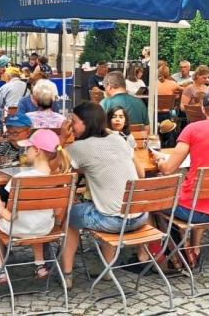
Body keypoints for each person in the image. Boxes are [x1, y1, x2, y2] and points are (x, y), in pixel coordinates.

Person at [58, 102, 146, 289]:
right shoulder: (118, 139)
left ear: (86, 123)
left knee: (69, 216)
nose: (71, 125)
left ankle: (66, 274)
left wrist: (62, 138)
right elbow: (141, 174)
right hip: (140, 216)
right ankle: (107, 270)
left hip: (114, 222)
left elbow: (58, 170)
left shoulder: (79, 147)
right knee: (106, 205)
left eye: (73, 121)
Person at [154, 92, 209, 266]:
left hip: (191, 210)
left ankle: (174, 256)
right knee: (200, 191)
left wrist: (159, 159)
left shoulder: (193, 129)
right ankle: (195, 249)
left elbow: (168, 169)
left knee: (154, 202)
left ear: (203, 109)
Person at [0, 129, 72, 285]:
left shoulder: (19, 179)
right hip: (44, 228)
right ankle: (40, 264)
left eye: (29, 147)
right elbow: (58, 213)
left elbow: (11, 217)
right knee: (36, 216)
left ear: (37, 151)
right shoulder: (59, 179)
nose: (26, 150)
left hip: (19, 229)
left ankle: (0, 269)